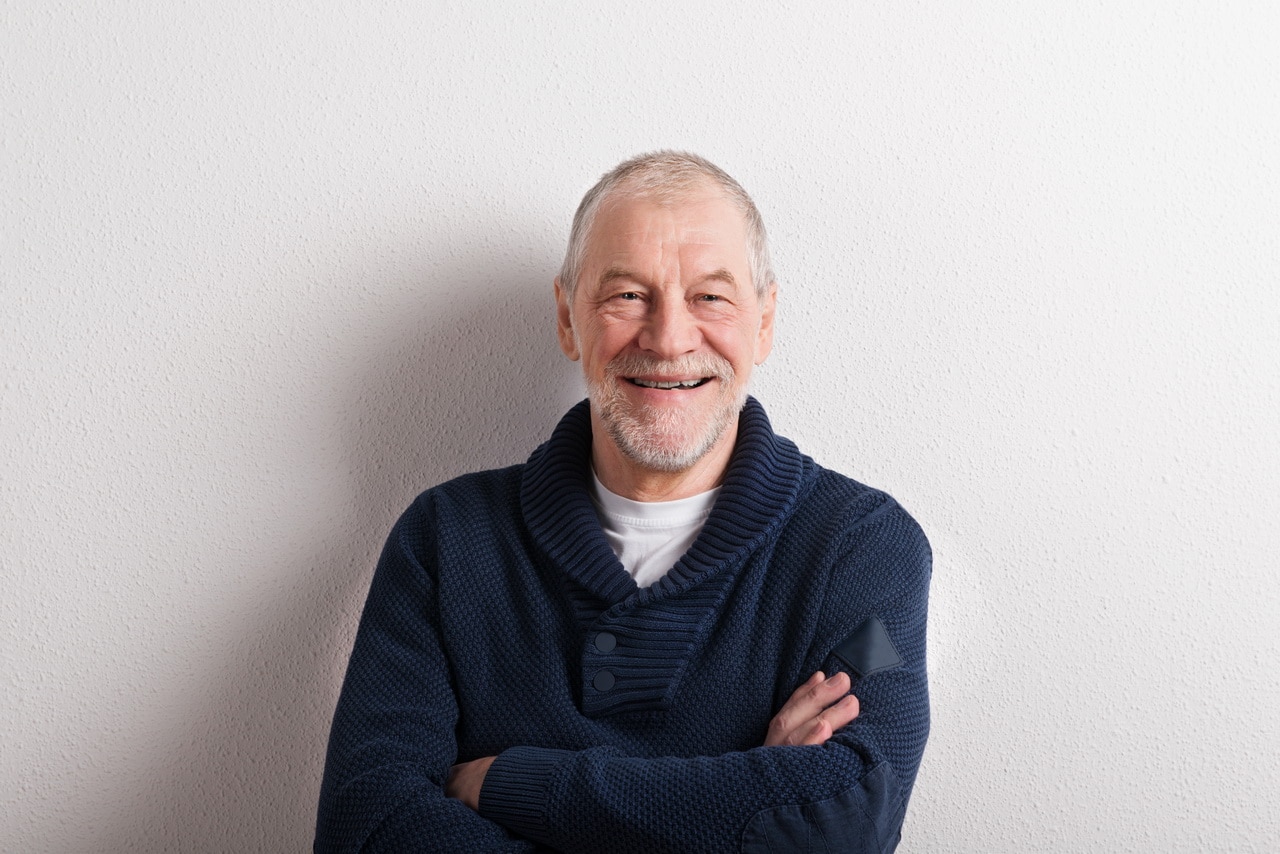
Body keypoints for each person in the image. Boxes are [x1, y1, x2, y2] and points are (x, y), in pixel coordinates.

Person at [315, 151, 931, 853]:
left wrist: (513, 783)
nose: (668, 339)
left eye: (711, 297)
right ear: (568, 319)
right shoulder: (445, 541)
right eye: (627, 295)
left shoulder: (864, 550)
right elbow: (364, 829)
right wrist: (750, 793)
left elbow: (845, 820)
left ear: (763, 322)